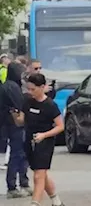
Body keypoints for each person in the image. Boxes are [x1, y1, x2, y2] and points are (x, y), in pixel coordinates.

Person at [14, 73, 65, 206]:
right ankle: (56, 201)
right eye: (28, 89)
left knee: (38, 176)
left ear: (42, 87)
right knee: (41, 173)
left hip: (45, 142)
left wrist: (44, 135)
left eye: (33, 89)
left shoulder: (50, 105)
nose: (30, 92)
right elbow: (20, 122)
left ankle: (35, 203)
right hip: (30, 141)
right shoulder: (27, 102)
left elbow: (60, 126)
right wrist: (14, 115)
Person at [2, 62, 31, 198]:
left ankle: (22, 183)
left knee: (20, 153)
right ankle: (13, 186)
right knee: (18, 154)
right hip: (14, 124)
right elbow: (20, 104)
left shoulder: (8, 85)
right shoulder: (12, 87)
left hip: (10, 124)